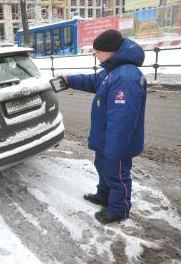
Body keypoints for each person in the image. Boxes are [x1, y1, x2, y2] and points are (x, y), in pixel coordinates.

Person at [61, 29, 147, 224]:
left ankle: (118, 210)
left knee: (117, 175)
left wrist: (114, 150)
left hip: (116, 142)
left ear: (111, 51)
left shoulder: (125, 77)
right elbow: (93, 81)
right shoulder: (113, 70)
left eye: (97, 51)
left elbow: (122, 119)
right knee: (104, 168)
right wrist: (69, 79)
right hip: (107, 138)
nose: (95, 54)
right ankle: (104, 196)